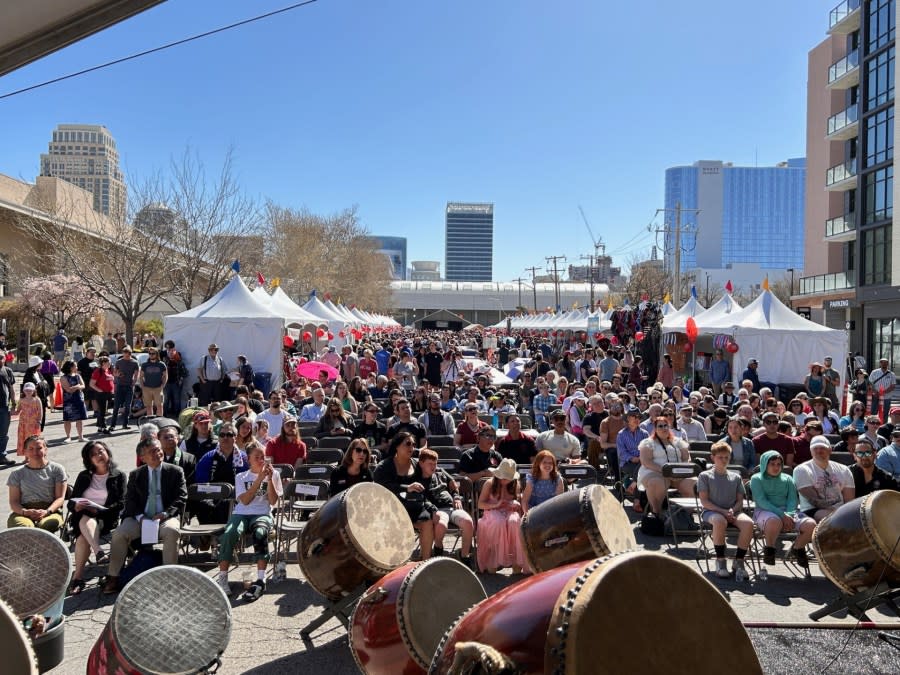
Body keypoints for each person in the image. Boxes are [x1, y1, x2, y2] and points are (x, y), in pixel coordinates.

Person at [102, 437, 186, 594]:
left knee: (172, 531)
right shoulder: (136, 474)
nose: (158, 453)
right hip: (140, 518)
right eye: (152, 451)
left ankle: (170, 577)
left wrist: (165, 514)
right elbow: (130, 500)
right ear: (142, 457)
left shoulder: (175, 471)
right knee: (119, 534)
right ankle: (113, 577)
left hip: (165, 517)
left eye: (158, 449)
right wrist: (141, 517)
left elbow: (181, 497)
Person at [216, 442, 282, 600]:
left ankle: (261, 578)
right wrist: (259, 479)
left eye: (263, 457)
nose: (261, 461)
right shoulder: (241, 476)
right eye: (257, 457)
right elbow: (245, 501)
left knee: (260, 533)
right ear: (249, 460)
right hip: (242, 513)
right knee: (229, 534)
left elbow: (273, 502)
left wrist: (270, 479)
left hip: (262, 513)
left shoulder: (275, 474)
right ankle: (223, 578)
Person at [66, 441, 126, 594]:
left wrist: (98, 511)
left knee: (82, 537)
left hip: (106, 518)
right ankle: (98, 551)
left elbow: (121, 503)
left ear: (107, 452)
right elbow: (71, 503)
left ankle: (77, 578)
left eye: (100, 451)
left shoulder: (118, 475)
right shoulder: (84, 476)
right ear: (89, 459)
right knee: (85, 520)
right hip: (82, 518)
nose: (98, 456)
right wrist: (76, 506)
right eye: (93, 454)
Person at [374, 432, 435, 560]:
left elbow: (434, 473)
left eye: (413, 444)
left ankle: (425, 561)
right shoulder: (385, 466)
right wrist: (406, 487)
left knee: (427, 521)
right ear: (397, 446)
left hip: (414, 506)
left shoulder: (417, 464)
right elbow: (381, 486)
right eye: (407, 444)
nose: (411, 447)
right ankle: (396, 561)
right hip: (391, 508)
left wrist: (450, 479)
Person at [750, 450, 815, 568]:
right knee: (774, 521)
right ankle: (769, 549)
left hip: (788, 512)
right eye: (772, 464)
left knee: (811, 525)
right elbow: (761, 501)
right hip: (765, 511)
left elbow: (792, 499)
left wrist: (788, 515)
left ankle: (798, 548)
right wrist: (782, 515)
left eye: (779, 464)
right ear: (765, 464)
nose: (776, 467)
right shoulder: (756, 479)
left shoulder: (788, 478)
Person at [698, 441, 753, 581]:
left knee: (748, 523)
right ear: (713, 457)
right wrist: (723, 511)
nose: (723, 460)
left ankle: (739, 561)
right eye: (720, 457)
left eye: (726, 457)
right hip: (712, 512)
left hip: (732, 511)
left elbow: (740, 500)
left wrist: (731, 510)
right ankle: (720, 560)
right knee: (719, 520)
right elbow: (704, 501)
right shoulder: (704, 476)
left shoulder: (736, 477)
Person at [418, 448, 475, 564]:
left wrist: (456, 497)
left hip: (451, 507)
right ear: (421, 463)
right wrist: (432, 509)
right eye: (430, 464)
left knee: (468, 522)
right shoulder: (418, 479)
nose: (433, 467)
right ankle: (438, 548)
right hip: (437, 509)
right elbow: (421, 498)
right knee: (441, 524)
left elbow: (453, 484)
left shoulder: (440, 472)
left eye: (435, 463)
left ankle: (464, 556)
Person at [476, 458, 529, 574]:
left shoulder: (515, 484)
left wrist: (516, 504)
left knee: (515, 522)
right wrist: (496, 504)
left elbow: (518, 505)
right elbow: (480, 504)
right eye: (503, 477)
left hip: (509, 511)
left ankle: (517, 564)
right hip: (491, 511)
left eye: (508, 478)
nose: (505, 480)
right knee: (498, 522)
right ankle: (492, 563)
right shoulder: (490, 483)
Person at [6, 435, 67, 530]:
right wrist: (25, 512)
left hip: (50, 510)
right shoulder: (17, 473)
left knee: (47, 525)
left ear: (45, 450)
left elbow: (60, 498)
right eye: (31, 449)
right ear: (25, 451)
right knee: (25, 528)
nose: (35, 452)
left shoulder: (57, 469)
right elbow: (14, 501)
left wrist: (47, 512)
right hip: (24, 511)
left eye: (39, 448)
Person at [637, 416, 694, 515]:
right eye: (660, 426)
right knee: (656, 482)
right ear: (655, 429)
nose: (664, 428)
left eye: (666, 425)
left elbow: (686, 458)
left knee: (693, 483)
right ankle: (656, 514)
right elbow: (646, 462)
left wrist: (680, 472)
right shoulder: (648, 443)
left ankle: (686, 516)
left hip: (677, 473)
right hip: (655, 472)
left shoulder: (678, 441)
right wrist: (666, 471)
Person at [616, 409, 648, 497]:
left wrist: (641, 458)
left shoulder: (644, 433)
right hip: (627, 463)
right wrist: (632, 458)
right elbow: (621, 453)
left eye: (639, 417)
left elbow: (648, 449)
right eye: (634, 416)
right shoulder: (621, 434)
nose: (637, 419)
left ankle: (634, 485)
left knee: (643, 468)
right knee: (644, 471)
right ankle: (639, 498)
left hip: (643, 462)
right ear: (628, 419)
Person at [109, 347, 139, 431]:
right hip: (120, 385)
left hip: (129, 386)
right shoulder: (119, 361)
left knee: (128, 406)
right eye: (123, 355)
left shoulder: (134, 362)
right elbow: (114, 372)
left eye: (126, 355)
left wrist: (134, 382)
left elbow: (136, 374)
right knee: (116, 406)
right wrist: (117, 375)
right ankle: (113, 425)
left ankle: (125, 424)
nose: (124, 357)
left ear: (130, 354)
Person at [60, 360, 88, 443]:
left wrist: (76, 387)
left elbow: (83, 386)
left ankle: (80, 436)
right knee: (67, 419)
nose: (77, 367)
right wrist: (77, 386)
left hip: (79, 399)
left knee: (80, 419)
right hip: (69, 401)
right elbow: (69, 390)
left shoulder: (78, 376)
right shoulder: (63, 377)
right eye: (75, 366)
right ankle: (68, 437)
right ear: (70, 367)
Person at [89, 355, 115, 435]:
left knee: (102, 410)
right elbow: (91, 384)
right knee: (102, 411)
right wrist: (99, 390)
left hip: (108, 393)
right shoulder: (98, 371)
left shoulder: (108, 370)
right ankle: (104, 427)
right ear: (103, 363)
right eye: (108, 362)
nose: (110, 364)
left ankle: (100, 427)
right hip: (101, 394)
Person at [15, 383, 43, 459]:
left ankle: (34, 456)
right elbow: (18, 410)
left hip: (33, 424)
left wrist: (39, 421)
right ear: (24, 391)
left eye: (30, 390)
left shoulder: (37, 399)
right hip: (23, 424)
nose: (28, 392)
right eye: (26, 390)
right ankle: (26, 457)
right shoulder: (22, 400)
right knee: (24, 440)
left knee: (32, 440)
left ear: (33, 391)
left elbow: (40, 411)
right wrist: (12, 411)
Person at [162, 342, 189, 418]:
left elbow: (185, 373)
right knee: (166, 400)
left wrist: (181, 379)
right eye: (169, 352)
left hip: (176, 383)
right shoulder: (165, 361)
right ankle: (164, 414)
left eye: (172, 352)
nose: (171, 353)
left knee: (177, 400)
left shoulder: (179, 362)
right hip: (166, 383)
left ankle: (177, 414)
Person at [139, 348, 168, 418]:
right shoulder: (144, 365)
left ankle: (159, 422)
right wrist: (142, 387)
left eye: (153, 353)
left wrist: (162, 385)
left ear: (157, 354)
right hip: (147, 388)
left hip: (158, 388)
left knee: (159, 406)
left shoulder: (161, 364)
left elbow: (165, 376)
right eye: (150, 354)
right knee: (149, 406)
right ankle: (150, 422)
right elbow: (141, 376)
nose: (151, 355)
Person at [0, 349, 17, 465]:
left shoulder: (8, 371)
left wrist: (14, 404)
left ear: (5, 358)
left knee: (3, 434)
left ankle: (2, 456)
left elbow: (11, 388)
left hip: (4, 407)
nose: (0, 360)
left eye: (1, 357)